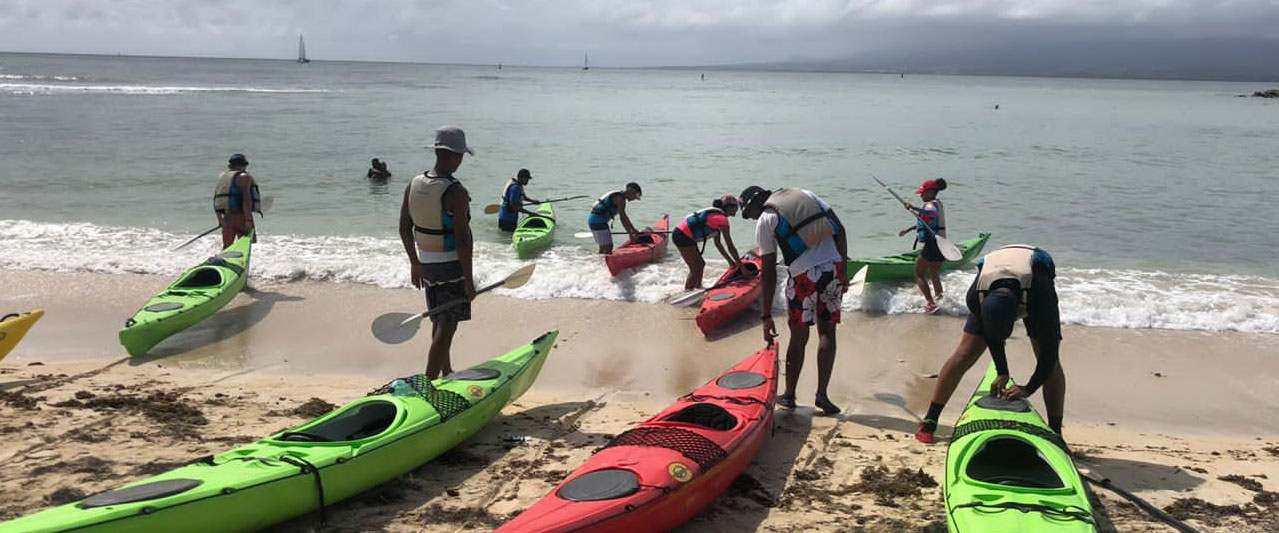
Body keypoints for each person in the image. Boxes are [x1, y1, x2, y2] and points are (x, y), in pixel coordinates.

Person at [914, 244, 1065, 444]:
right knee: (965, 353)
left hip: (1034, 272)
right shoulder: (976, 297)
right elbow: (991, 335)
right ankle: (930, 419)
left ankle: (1056, 432)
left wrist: (1029, 388)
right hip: (993, 272)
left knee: (1050, 363)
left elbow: (1050, 354)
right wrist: (1002, 371)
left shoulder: (1041, 298)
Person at [739, 186, 848, 415]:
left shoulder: (767, 218)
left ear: (756, 203)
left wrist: (766, 315)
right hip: (833, 268)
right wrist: (843, 272)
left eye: (750, 213)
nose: (753, 218)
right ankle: (822, 395)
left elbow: (768, 272)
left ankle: (789, 396)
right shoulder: (807, 194)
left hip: (803, 275)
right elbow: (840, 230)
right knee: (827, 332)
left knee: (799, 337)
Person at [398, 126, 476, 379]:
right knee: (447, 326)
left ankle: (446, 371)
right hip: (451, 267)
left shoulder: (414, 183)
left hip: (427, 265)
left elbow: (404, 228)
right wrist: (468, 279)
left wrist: (415, 263)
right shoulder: (456, 191)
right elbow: (463, 240)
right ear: (457, 156)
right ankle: (429, 382)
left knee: (438, 319)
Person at [897, 178, 947, 314]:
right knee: (935, 274)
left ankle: (930, 303)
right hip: (941, 244)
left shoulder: (930, 206)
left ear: (931, 192)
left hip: (932, 245)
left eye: (923, 193)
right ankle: (940, 300)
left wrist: (912, 207)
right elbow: (925, 222)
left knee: (919, 274)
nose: (921, 195)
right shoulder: (937, 203)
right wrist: (908, 230)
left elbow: (931, 214)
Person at [673, 195, 741, 291]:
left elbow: (718, 244)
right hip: (682, 236)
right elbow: (730, 246)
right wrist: (742, 268)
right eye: (736, 206)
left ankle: (697, 288)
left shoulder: (718, 217)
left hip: (685, 235)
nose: (737, 209)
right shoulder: (722, 220)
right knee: (695, 268)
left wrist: (730, 262)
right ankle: (687, 292)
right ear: (728, 207)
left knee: (701, 264)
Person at [212, 153, 262, 248]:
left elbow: (217, 201)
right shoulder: (244, 177)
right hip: (241, 216)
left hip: (226, 217)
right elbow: (246, 199)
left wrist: (220, 220)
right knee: (244, 246)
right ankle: (240, 263)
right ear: (244, 164)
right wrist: (248, 220)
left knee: (227, 246)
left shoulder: (223, 177)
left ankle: (224, 262)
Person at [587, 182, 643, 254]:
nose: (635, 199)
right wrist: (630, 234)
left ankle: (598, 262)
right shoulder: (620, 199)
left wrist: (634, 230)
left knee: (603, 247)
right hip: (599, 221)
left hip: (593, 220)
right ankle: (603, 263)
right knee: (608, 247)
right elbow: (623, 218)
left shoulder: (620, 196)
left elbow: (625, 217)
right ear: (631, 191)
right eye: (636, 196)